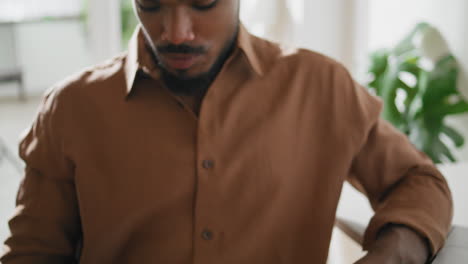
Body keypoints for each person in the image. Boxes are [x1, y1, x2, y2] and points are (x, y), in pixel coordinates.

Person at [1, 0, 453, 263]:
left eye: (203, 1)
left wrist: (392, 253)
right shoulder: (71, 107)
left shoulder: (322, 87)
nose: (175, 31)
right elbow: (32, 253)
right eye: (151, 2)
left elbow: (420, 182)